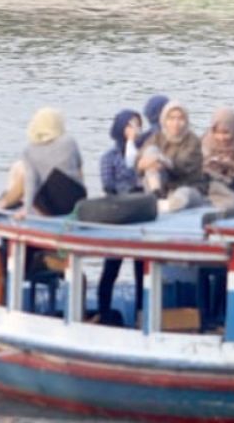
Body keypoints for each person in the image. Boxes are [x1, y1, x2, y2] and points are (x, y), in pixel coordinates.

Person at [96, 109, 145, 324]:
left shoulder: (146, 153)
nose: (134, 130)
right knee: (111, 268)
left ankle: (141, 314)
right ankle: (103, 311)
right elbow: (108, 185)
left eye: (137, 125)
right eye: (129, 125)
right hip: (118, 216)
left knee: (141, 269)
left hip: (141, 216)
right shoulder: (109, 157)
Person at [0, 107, 86, 217]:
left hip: (51, 206)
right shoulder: (69, 142)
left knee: (20, 169)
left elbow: (30, 181)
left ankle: (3, 205)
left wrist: (27, 208)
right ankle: (9, 203)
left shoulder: (30, 150)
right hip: (75, 200)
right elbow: (79, 171)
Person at [137, 100, 208, 212]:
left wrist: (162, 160)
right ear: (164, 121)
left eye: (180, 119)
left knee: (181, 197)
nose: (176, 123)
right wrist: (143, 163)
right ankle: (156, 194)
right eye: (171, 118)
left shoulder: (193, 141)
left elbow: (182, 166)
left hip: (188, 186)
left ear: (186, 121)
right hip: (161, 185)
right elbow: (139, 159)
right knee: (151, 151)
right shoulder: (156, 138)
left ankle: (161, 206)